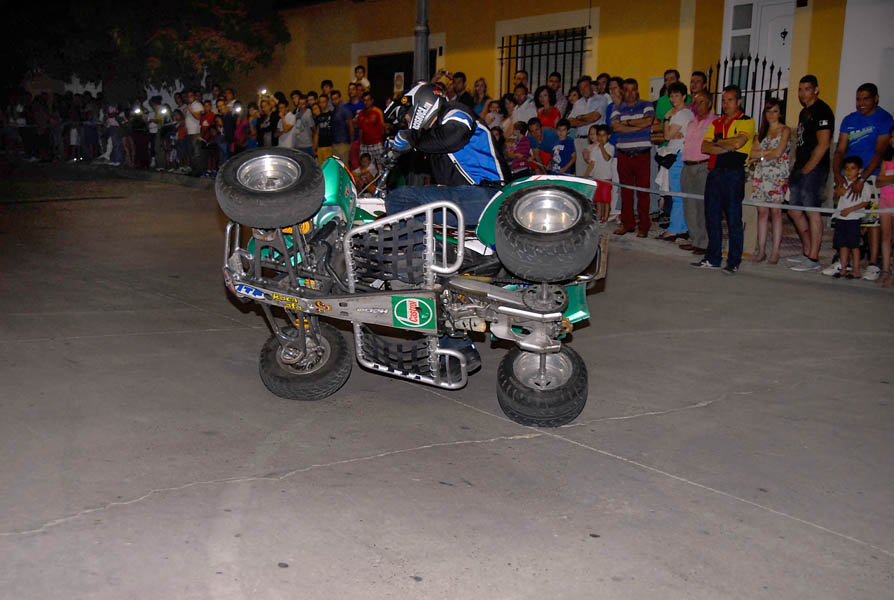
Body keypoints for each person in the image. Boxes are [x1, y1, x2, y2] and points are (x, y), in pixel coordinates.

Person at [382, 82, 505, 227]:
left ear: (420, 105)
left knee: (400, 198)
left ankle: (417, 242)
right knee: (415, 209)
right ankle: (428, 241)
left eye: (407, 119)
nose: (408, 124)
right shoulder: (434, 139)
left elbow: (454, 136)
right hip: (471, 199)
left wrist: (410, 137)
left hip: (489, 194)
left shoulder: (453, 110)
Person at [830, 82, 893, 281]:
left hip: (870, 175)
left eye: (866, 99)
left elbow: (880, 151)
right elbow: (840, 149)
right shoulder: (849, 120)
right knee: (843, 216)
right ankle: (843, 260)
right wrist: (838, 175)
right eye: (858, 99)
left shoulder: (884, 118)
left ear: (876, 99)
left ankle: (873, 263)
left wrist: (863, 178)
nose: (861, 103)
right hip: (848, 175)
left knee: (871, 220)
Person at [692, 85, 754, 274]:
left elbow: (738, 143)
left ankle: (733, 261)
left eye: (730, 100)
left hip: (734, 173)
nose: (726, 104)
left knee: (734, 218)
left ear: (739, 101)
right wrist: (727, 145)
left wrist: (719, 143)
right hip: (715, 172)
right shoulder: (716, 122)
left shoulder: (746, 121)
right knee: (712, 216)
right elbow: (705, 147)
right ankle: (713, 258)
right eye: (724, 100)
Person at [788, 75, 835, 272]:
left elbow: (823, 144)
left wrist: (808, 167)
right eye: (800, 89)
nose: (802, 93)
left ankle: (814, 257)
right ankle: (807, 251)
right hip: (800, 167)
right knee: (794, 210)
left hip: (815, 169)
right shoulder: (803, 112)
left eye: (807, 89)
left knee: (812, 210)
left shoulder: (822, 110)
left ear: (816, 90)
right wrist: (797, 166)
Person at [749, 98, 791, 264]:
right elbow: (751, 153)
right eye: (768, 111)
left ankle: (775, 251)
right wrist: (766, 154)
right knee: (762, 212)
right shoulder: (762, 132)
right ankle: (761, 250)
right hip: (761, 174)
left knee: (776, 212)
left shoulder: (785, 130)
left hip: (777, 174)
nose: (771, 115)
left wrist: (762, 154)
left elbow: (778, 152)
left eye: (775, 111)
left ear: (780, 113)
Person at [611, 78, 655, 236]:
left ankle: (643, 226)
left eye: (633, 89)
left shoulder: (646, 105)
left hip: (642, 155)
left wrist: (627, 124)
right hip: (624, 155)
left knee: (643, 192)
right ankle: (628, 224)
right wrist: (637, 126)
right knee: (626, 192)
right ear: (623, 92)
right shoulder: (617, 108)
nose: (630, 93)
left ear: (637, 90)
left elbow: (648, 122)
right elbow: (615, 127)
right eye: (627, 90)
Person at [656, 81, 693, 242]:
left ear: (684, 96)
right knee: (680, 194)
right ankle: (682, 227)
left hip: (677, 156)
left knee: (676, 194)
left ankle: (674, 229)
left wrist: (666, 119)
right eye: (671, 96)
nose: (673, 99)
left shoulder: (681, 114)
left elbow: (667, 135)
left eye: (677, 96)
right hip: (680, 154)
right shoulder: (687, 113)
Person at [833, 156, 873, 279]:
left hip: (853, 219)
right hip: (841, 218)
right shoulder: (842, 182)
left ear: (860, 170)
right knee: (842, 245)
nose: (849, 171)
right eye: (846, 169)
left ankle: (856, 270)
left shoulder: (864, 185)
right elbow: (835, 197)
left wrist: (850, 210)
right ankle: (843, 269)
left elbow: (865, 202)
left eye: (853, 168)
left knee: (854, 246)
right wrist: (838, 193)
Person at [569, 76, 606, 177]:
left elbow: (595, 117)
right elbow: (571, 122)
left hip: (594, 141)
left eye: (585, 86)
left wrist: (580, 118)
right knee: (580, 173)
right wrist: (587, 120)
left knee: (594, 172)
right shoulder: (577, 103)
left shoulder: (601, 99)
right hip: (579, 140)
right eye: (581, 88)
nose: (583, 90)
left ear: (591, 86)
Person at [584, 124, 614, 223]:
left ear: (608, 136)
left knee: (606, 199)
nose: (601, 138)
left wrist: (602, 148)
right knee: (598, 199)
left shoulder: (610, 147)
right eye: (599, 135)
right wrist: (586, 174)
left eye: (603, 135)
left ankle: (606, 217)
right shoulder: (595, 149)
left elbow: (607, 158)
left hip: (606, 177)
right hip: (596, 177)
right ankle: (599, 216)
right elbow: (592, 163)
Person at [876, 132, 894, 286]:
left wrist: (885, 179)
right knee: (886, 236)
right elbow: (878, 181)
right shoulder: (886, 160)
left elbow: (883, 179)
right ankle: (886, 269)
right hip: (885, 201)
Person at [357, 91, 385, 169]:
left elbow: (382, 128)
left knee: (381, 166)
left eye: (368, 100)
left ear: (372, 101)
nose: (366, 102)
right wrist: (360, 144)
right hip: (364, 145)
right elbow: (360, 130)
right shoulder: (361, 114)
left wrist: (382, 142)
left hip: (376, 143)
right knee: (366, 168)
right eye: (364, 100)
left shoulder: (377, 112)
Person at [330, 90, 354, 163]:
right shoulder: (334, 111)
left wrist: (351, 142)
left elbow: (350, 126)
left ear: (340, 98)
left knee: (344, 165)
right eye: (332, 99)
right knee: (337, 166)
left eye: (336, 98)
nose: (334, 101)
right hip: (335, 143)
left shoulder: (345, 110)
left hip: (343, 143)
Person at [313, 93, 334, 164]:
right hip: (320, 146)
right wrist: (314, 147)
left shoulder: (332, 114)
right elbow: (316, 133)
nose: (322, 104)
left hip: (330, 145)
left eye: (323, 102)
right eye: (320, 102)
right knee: (321, 167)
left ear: (327, 102)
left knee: (329, 166)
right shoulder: (318, 117)